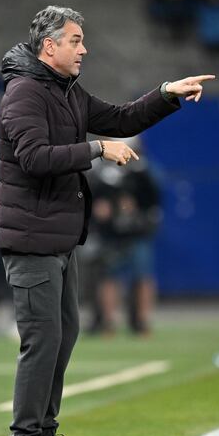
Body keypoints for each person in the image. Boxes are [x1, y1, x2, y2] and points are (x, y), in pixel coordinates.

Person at [0, 5, 214, 436]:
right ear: (49, 46)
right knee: (42, 339)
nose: (84, 48)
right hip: (31, 237)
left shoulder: (64, 90)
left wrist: (166, 94)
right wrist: (96, 148)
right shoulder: (24, 93)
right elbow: (33, 158)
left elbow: (118, 116)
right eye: (75, 40)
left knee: (63, 336)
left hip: (59, 236)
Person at [90, 140, 161, 335]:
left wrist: (139, 211)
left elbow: (154, 202)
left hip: (137, 232)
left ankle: (142, 320)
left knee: (142, 275)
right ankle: (108, 322)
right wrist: (100, 207)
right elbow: (93, 199)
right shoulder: (101, 170)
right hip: (111, 233)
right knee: (109, 276)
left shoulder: (142, 170)